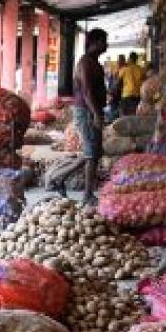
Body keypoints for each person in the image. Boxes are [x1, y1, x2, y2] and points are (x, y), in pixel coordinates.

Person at [73, 28, 108, 206]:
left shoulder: (94, 62)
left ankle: (63, 178)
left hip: (93, 110)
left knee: (94, 152)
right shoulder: (85, 62)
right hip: (87, 112)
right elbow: (87, 91)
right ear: (94, 43)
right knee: (92, 153)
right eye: (103, 41)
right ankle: (87, 195)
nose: (106, 45)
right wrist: (95, 113)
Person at [120, 52, 145, 117]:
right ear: (136, 59)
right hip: (137, 95)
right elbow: (144, 80)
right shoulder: (140, 69)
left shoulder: (125, 69)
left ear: (130, 59)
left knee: (125, 115)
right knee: (135, 114)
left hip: (127, 94)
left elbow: (119, 82)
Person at [106, 54, 125, 122]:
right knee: (114, 112)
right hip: (115, 95)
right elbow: (111, 83)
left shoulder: (124, 70)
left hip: (120, 95)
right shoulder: (115, 71)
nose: (120, 62)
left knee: (119, 113)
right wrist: (109, 93)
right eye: (119, 61)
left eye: (121, 60)